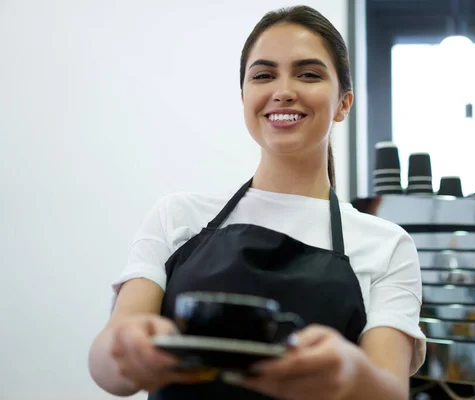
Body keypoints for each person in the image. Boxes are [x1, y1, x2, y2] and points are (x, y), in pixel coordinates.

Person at [87, 5, 426, 399]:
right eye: (264, 75)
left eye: (309, 74)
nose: (283, 90)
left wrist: (350, 374)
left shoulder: (387, 245)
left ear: (343, 103)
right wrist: (126, 352)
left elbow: (390, 391)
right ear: (245, 96)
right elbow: (105, 362)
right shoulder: (177, 216)